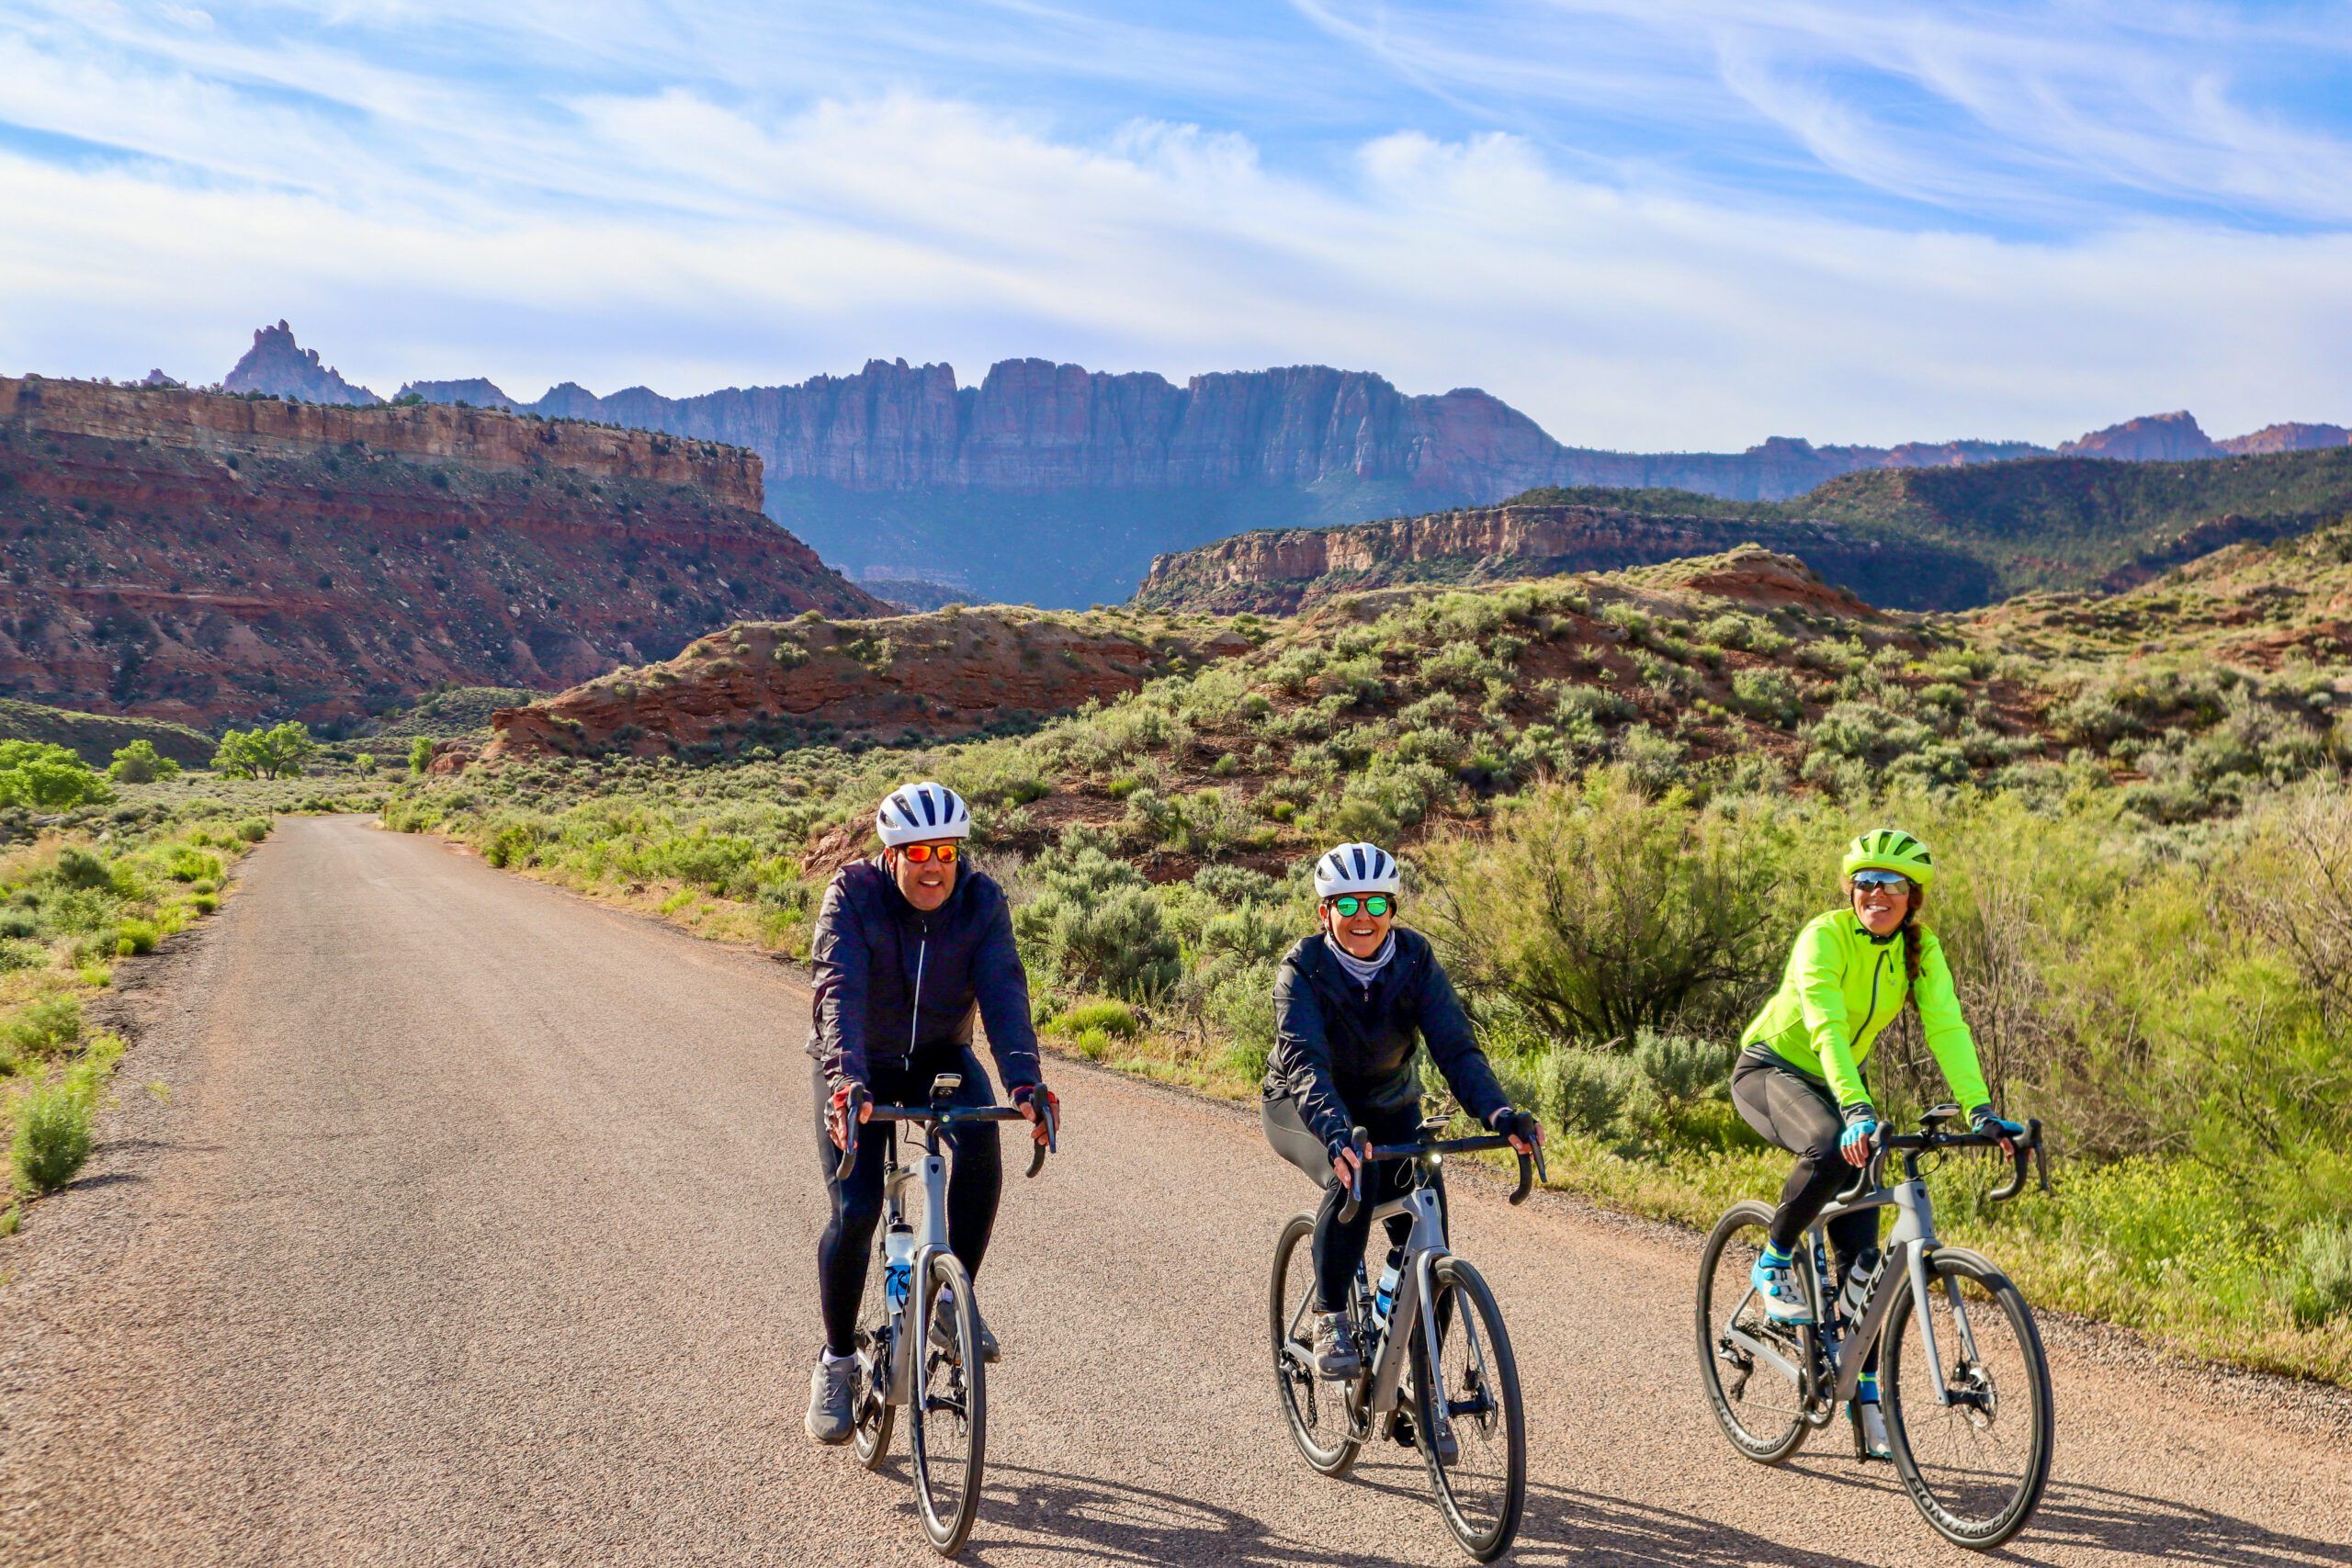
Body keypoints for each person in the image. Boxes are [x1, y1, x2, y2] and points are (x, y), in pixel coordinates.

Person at [1732, 827, 2022, 1459]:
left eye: (1891, 884)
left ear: (1912, 897)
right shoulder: (1824, 936)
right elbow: (1827, 1026)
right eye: (1865, 882)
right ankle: (1774, 1257)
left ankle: (1865, 1392)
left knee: (1864, 1258)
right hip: (1775, 1066)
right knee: (1835, 1140)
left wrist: (1982, 1108)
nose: (1876, 894)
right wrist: (1858, 1105)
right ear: (1851, 890)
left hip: (1841, 1079)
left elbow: (1947, 1025)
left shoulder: (1920, 950)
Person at [803, 781, 1059, 1446]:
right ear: (891, 854)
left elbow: (1004, 992)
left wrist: (1027, 1084)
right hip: (857, 1062)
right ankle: (835, 1361)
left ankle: (949, 1300)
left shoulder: (981, 902)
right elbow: (838, 995)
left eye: (944, 850)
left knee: (979, 1150)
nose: (932, 865)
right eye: (916, 851)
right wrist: (847, 1084)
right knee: (856, 1211)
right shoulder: (853, 896)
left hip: (940, 1054)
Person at [1261, 841, 1543, 1381]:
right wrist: (1337, 1132)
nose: (1362, 916)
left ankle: (1420, 1370)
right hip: (1303, 1105)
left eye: (1374, 903)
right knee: (1356, 1176)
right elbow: (1304, 1061)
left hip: (1389, 1103)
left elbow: (1456, 1048)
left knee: (1427, 1219)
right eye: (1346, 905)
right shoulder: (1304, 967)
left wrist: (1499, 1115)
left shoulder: (1415, 959)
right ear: (1325, 913)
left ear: (1393, 908)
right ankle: (1331, 1312)